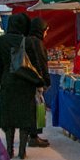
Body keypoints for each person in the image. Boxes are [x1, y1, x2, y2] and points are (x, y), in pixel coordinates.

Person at [0, 13, 37, 159]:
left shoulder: (1, 41)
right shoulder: (29, 41)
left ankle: (9, 148)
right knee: (25, 116)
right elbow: (34, 64)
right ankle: (22, 150)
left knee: (9, 116)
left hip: (8, 81)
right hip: (25, 83)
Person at [26, 16, 51, 147]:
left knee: (36, 109)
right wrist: (46, 80)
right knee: (39, 108)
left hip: (29, 80)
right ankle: (34, 136)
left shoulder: (28, 40)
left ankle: (34, 135)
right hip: (36, 81)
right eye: (46, 30)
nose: (46, 32)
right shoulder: (37, 42)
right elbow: (41, 63)